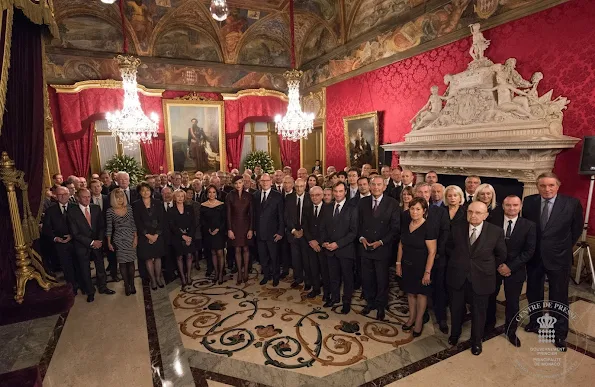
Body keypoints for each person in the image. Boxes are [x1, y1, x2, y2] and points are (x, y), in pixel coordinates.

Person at [522, 172, 583, 350]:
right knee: (534, 292)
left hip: (559, 257)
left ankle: (559, 333)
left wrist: (561, 247)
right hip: (534, 257)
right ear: (537, 186)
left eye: (551, 185)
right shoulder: (529, 202)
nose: (547, 189)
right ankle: (535, 322)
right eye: (542, 185)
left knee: (559, 296)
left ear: (558, 185)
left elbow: (576, 229)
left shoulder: (571, 203)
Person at [447, 201, 507, 355]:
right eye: (470, 212)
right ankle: (454, 334)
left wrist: (486, 267)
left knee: (479, 312)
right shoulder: (456, 229)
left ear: (486, 215)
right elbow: (448, 248)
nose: (473, 215)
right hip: (458, 277)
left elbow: (501, 254)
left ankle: (476, 341)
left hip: (482, 279)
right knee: (456, 309)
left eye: (478, 213)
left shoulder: (496, 231)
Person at [486, 195, 536, 347]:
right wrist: (499, 265)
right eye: (508, 205)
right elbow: (487, 247)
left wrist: (510, 267)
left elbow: (529, 251)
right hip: (494, 268)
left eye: (515, 205)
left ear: (520, 207)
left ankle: (511, 330)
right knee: (489, 298)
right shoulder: (492, 222)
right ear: (503, 206)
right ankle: (488, 325)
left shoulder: (529, 225)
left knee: (513, 302)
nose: (512, 208)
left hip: (516, 270)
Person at [358, 177, 400, 321]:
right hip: (365, 247)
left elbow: (395, 228)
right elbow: (358, 224)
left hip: (382, 248)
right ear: (369, 186)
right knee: (367, 278)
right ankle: (369, 303)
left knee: (382, 279)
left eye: (379, 185)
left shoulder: (392, 203)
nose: (376, 187)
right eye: (373, 184)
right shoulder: (362, 202)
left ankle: (381, 305)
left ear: (384, 186)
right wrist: (361, 238)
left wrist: (381, 242)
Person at [397, 197, 437, 336]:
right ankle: (411, 317)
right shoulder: (406, 223)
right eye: (412, 208)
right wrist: (398, 263)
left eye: (418, 209)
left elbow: (432, 252)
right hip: (407, 264)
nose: (414, 212)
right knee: (410, 292)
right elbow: (401, 244)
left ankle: (419, 321)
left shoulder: (428, 227)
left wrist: (427, 272)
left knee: (421, 294)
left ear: (424, 211)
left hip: (421, 266)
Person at [414, 183, 450, 333]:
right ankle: (420, 316)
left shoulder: (439, 211)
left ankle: (441, 318)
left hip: (436, 257)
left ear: (430, 194)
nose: (424, 194)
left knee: (439, 289)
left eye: (426, 192)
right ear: (416, 193)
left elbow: (445, 233)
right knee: (419, 288)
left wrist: (436, 254)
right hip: (416, 258)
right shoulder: (412, 210)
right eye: (420, 192)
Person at [67, 188, 115, 302]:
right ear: (78, 198)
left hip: (98, 244)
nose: (87, 199)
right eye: (84, 197)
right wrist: (92, 242)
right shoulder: (72, 212)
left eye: (88, 196)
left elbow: (101, 226)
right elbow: (75, 233)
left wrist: (99, 240)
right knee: (85, 269)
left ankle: (103, 287)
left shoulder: (96, 208)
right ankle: (90, 291)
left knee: (100, 267)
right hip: (82, 246)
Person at [320, 182, 358, 314]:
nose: (337, 194)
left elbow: (353, 232)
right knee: (333, 276)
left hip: (345, 250)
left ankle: (346, 302)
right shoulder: (327, 207)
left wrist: (338, 244)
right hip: (329, 249)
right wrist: (324, 242)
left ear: (345, 192)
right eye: (335, 191)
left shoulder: (352, 208)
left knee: (347, 278)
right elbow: (323, 227)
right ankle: (334, 298)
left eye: (340, 191)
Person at [42, 186, 78, 294]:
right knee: (67, 267)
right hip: (60, 243)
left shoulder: (76, 207)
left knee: (79, 264)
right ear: (56, 196)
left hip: (76, 241)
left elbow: (82, 226)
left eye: (65, 194)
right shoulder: (50, 210)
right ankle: (73, 288)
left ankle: (83, 284)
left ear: (69, 194)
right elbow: (46, 228)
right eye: (60, 195)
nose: (63, 197)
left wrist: (72, 236)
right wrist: (55, 238)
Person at [133, 182, 167, 291]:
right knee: (148, 258)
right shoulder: (136, 204)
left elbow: (162, 220)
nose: (145, 192)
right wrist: (148, 235)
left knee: (157, 257)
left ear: (151, 191)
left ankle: (158, 278)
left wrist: (156, 235)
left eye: (147, 190)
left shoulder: (157, 202)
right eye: (143, 190)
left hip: (157, 234)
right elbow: (137, 222)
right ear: (139, 192)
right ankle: (152, 279)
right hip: (144, 236)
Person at [253, 173, 284, 286]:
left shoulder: (277, 196)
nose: (265, 183)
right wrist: (254, 229)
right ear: (260, 182)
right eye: (263, 181)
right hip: (259, 232)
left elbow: (281, 215)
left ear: (271, 181)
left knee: (274, 256)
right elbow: (254, 214)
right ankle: (266, 275)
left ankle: (276, 277)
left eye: (267, 180)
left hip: (273, 233)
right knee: (263, 256)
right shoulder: (255, 195)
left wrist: (280, 231)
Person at [106, 188, 138, 296]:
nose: (120, 199)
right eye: (117, 197)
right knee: (123, 264)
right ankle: (126, 285)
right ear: (113, 199)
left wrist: (135, 237)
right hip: (118, 239)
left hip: (130, 238)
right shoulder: (110, 211)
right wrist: (109, 242)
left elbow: (133, 224)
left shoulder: (129, 208)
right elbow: (109, 227)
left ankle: (132, 284)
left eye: (121, 197)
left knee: (131, 262)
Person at [285, 178, 312, 290]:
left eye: (301, 186)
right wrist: (293, 230)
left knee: (306, 259)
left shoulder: (310, 197)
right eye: (297, 186)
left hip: (306, 234)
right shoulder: (289, 198)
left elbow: (311, 218)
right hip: (293, 233)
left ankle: (308, 280)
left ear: (305, 186)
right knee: (295, 258)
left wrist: (303, 231)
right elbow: (286, 216)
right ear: (294, 187)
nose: (299, 188)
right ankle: (298, 278)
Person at [226, 176, 254, 285]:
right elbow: (228, 214)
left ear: (243, 183)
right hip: (234, 226)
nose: (238, 185)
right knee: (237, 249)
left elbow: (252, 214)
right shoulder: (230, 196)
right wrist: (229, 229)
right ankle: (239, 273)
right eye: (236, 183)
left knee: (246, 249)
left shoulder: (249, 196)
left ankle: (246, 271)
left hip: (246, 225)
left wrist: (251, 229)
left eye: (240, 182)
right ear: (233, 184)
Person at [303, 186, 328, 300]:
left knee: (325, 269)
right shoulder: (307, 208)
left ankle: (327, 292)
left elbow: (329, 229)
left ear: (322, 195)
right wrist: (311, 241)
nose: (315, 197)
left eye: (317, 195)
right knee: (313, 268)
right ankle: (316, 289)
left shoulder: (329, 208)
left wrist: (318, 241)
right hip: (310, 245)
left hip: (323, 245)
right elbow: (305, 227)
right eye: (312, 195)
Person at [169, 189, 196, 288]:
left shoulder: (189, 208)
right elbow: (172, 226)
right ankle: (183, 278)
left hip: (189, 236)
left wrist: (189, 236)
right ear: (174, 198)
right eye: (178, 196)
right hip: (177, 237)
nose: (180, 198)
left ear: (184, 197)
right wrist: (182, 236)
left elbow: (193, 223)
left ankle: (188, 276)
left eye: (182, 196)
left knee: (189, 256)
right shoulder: (171, 210)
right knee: (179, 257)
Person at [201, 185, 227, 284]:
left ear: (216, 193)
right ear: (207, 194)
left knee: (220, 253)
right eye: (210, 192)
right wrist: (208, 229)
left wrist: (218, 229)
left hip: (219, 232)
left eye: (213, 192)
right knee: (213, 253)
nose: (212, 194)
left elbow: (224, 220)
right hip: (209, 233)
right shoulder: (203, 205)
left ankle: (220, 273)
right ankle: (216, 272)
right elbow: (202, 221)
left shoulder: (221, 204)